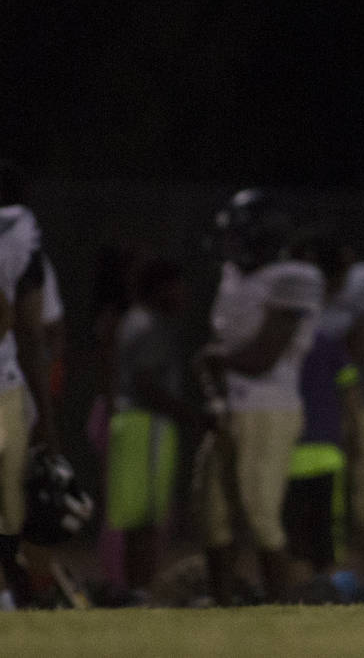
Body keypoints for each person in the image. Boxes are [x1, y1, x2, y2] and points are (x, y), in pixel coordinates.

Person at [195, 188, 324, 604]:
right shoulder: (232, 277)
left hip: (269, 409)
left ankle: (279, 608)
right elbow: (223, 348)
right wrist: (213, 389)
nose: (230, 243)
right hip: (230, 406)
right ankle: (221, 605)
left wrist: (216, 362)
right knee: (212, 512)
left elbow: (263, 356)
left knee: (260, 512)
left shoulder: (296, 278)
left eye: (238, 234)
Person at [107, 257, 197, 604]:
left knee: (137, 518)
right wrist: (189, 415)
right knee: (146, 517)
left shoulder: (133, 320)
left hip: (131, 423)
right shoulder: (149, 325)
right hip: (147, 426)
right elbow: (146, 382)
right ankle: (142, 591)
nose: (182, 292)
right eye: (176, 284)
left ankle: (137, 591)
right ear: (159, 287)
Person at [283, 229, 362, 581]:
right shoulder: (327, 341)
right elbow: (349, 391)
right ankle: (325, 586)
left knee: (292, 530)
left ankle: (294, 588)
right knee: (326, 535)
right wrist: (354, 433)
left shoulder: (281, 343)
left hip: (288, 449)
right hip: (325, 450)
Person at [315, 242, 364, 583]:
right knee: (315, 498)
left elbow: (360, 347)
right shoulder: (302, 290)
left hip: (363, 405)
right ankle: (318, 581)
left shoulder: (363, 282)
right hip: (316, 408)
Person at [0, 160, 59, 609]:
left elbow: (24, 326)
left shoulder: (15, 233)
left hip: (6, 386)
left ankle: (25, 602)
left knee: (12, 517)